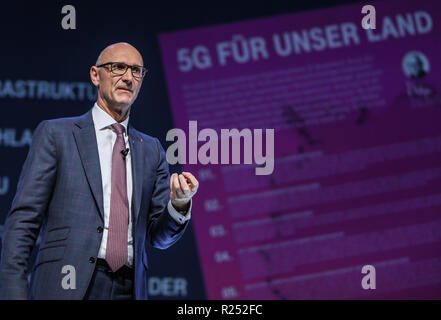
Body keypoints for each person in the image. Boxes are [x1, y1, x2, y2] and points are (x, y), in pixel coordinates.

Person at [0, 42, 199, 300]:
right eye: (118, 68)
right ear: (95, 75)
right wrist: (13, 293)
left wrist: (179, 205)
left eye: (136, 71)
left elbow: (158, 238)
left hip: (129, 289)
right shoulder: (57, 135)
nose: (128, 77)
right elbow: (23, 223)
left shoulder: (152, 150)